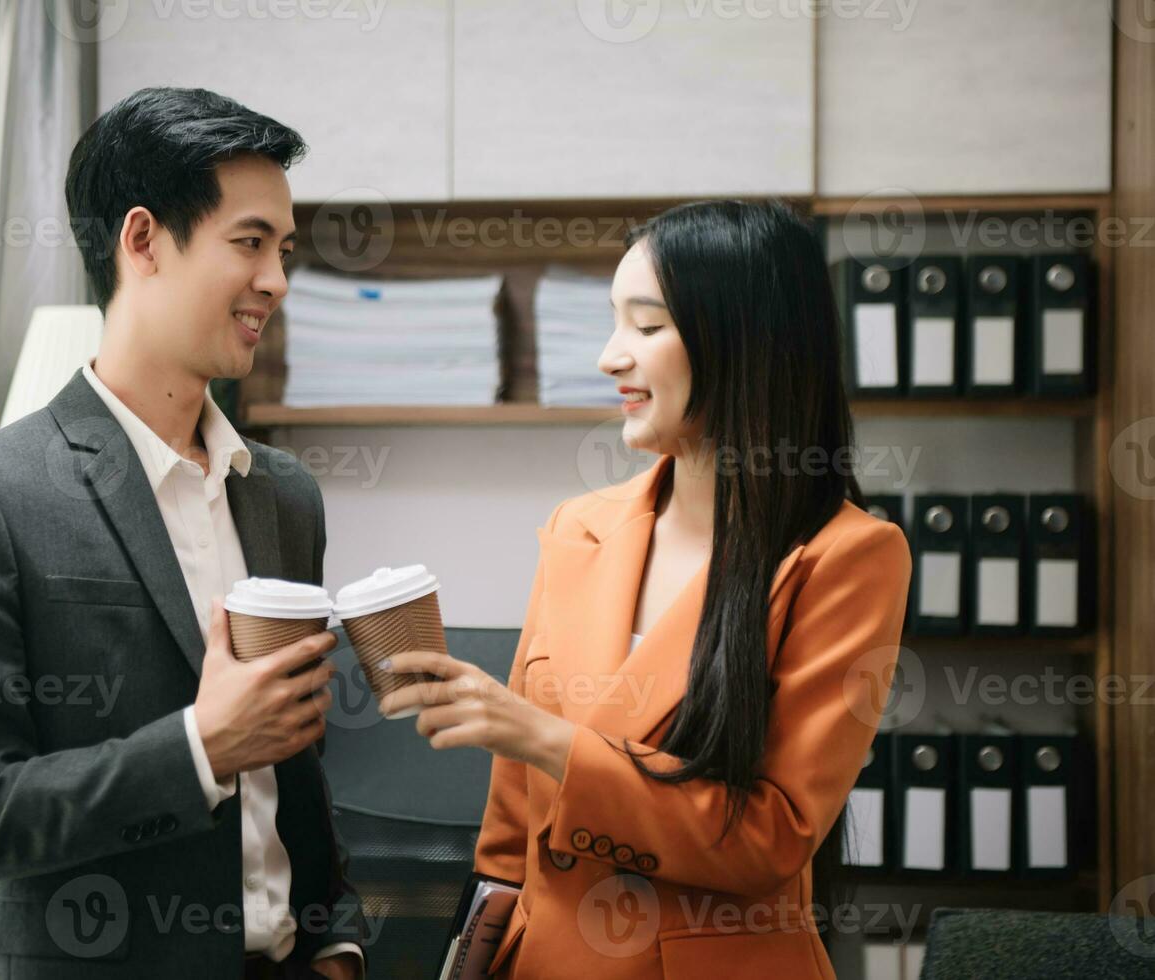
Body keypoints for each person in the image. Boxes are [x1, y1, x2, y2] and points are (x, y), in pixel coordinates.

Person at [378, 200, 912, 977]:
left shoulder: (849, 556)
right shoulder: (579, 527)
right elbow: (509, 838)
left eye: (647, 326)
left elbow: (770, 838)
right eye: (612, 323)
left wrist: (539, 737)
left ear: (746, 341)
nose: (609, 357)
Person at [0, 87, 365, 980]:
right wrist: (200, 748)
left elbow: (297, 774)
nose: (275, 278)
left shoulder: (284, 497)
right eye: (250, 242)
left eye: (284, 249)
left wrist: (337, 940)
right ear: (144, 240)